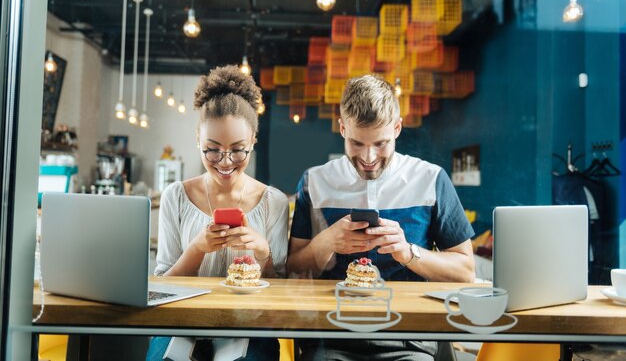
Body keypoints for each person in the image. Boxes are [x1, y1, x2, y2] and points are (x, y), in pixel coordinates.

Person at [287, 74, 476, 361]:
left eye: (380, 143)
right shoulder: (314, 181)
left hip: (410, 340)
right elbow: (291, 267)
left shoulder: (431, 179)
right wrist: (326, 242)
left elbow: (465, 270)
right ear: (341, 128)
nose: (368, 157)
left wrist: (409, 253)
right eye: (357, 143)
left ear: (397, 128)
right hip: (331, 338)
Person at [146, 65, 289, 361]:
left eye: (238, 150)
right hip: (180, 324)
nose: (225, 162)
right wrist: (197, 249)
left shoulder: (272, 201)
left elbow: (280, 294)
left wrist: (263, 252)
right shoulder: (176, 196)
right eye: (212, 149)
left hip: (249, 326)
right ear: (198, 138)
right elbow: (160, 289)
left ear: (253, 141)